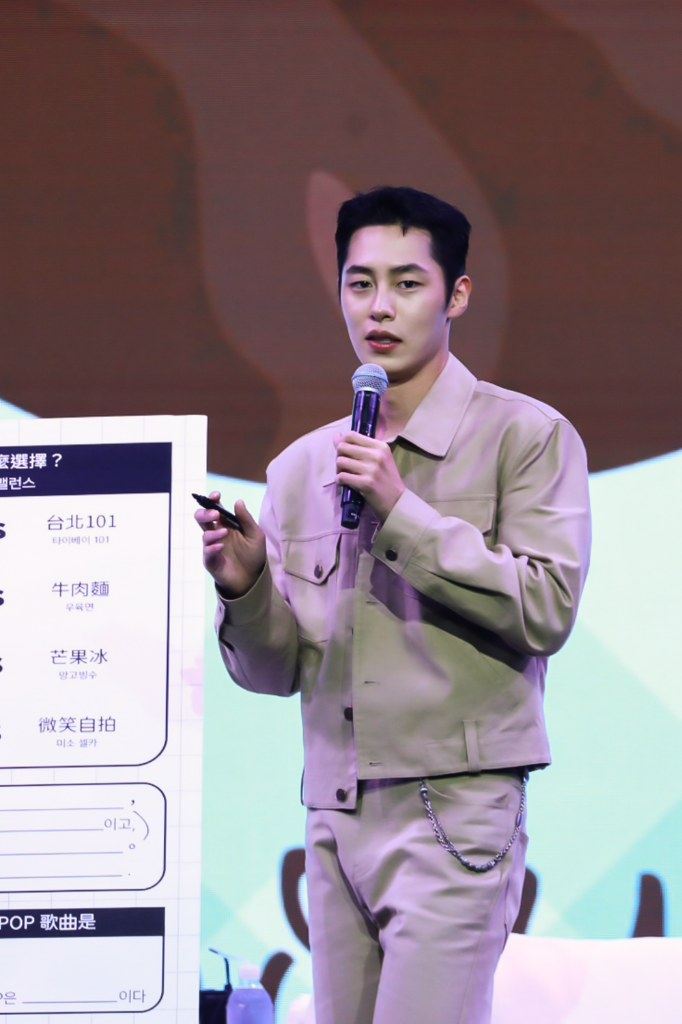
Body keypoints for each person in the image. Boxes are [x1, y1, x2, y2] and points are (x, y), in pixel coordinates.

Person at [196, 186, 591, 1024]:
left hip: (454, 811)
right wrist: (245, 584)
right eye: (360, 283)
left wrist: (401, 511)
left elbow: (547, 607)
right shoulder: (301, 467)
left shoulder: (527, 436)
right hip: (333, 817)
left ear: (457, 295)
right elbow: (274, 672)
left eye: (408, 284)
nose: (379, 306)